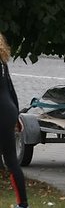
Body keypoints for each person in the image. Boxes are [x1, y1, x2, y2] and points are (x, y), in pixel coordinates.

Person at [0, 33, 29, 208]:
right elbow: (11, 89)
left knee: (10, 159)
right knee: (11, 159)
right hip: (8, 110)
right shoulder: (2, 63)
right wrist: (16, 116)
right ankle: (23, 204)